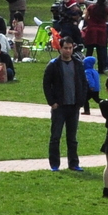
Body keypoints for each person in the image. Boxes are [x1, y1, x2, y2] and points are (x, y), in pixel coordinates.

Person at [44, 41, 86, 173]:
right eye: (65, 48)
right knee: (55, 136)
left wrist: (81, 101)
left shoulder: (78, 64)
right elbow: (46, 85)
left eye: (70, 48)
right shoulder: (53, 65)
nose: (68, 51)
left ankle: (73, 163)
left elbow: (83, 83)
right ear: (60, 49)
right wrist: (52, 102)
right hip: (59, 107)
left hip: (74, 106)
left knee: (72, 138)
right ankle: (54, 164)